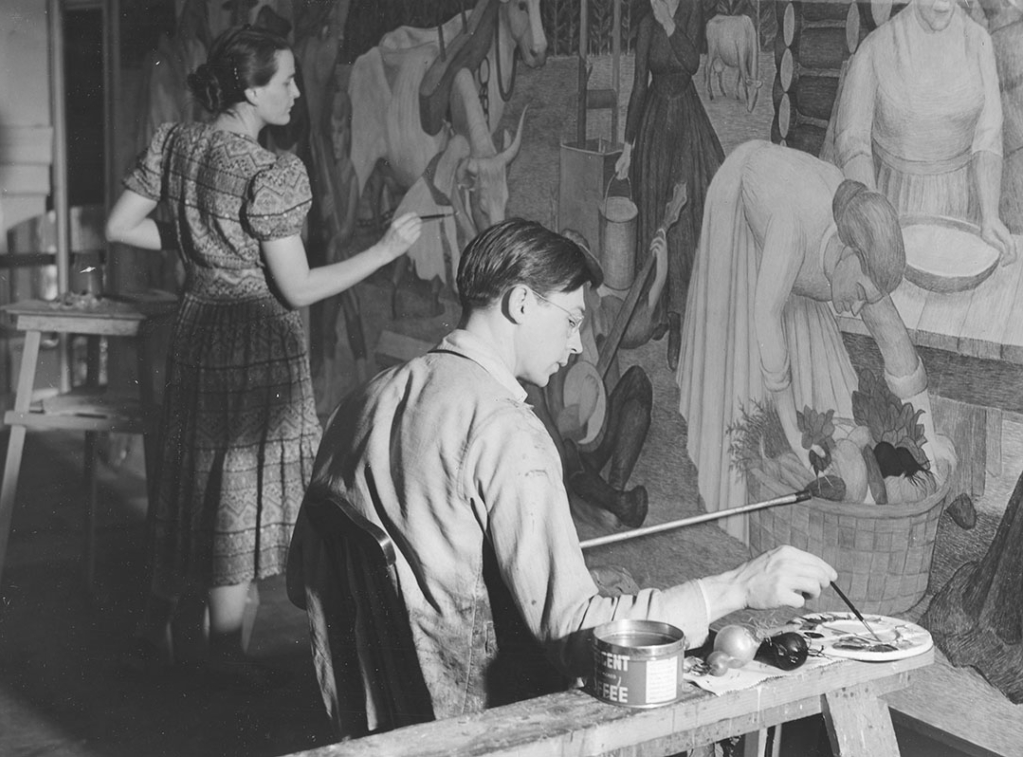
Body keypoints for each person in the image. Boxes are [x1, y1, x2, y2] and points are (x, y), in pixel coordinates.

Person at [287, 218, 837, 736]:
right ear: (521, 302)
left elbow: (300, 580)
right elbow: (580, 639)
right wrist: (736, 586)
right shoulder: (508, 432)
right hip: (474, 730)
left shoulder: (370, 394)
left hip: (368, 720)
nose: (577, 344)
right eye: (572, 320)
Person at [105, 25, 422, 687]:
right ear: (250, 89)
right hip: (254, 343)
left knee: (197, 479)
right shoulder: (270, 172)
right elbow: (297, 287)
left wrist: (204, 245)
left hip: (197, 332)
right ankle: (222, 651)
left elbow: (120, 226)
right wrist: (386, 249)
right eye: (284, 80)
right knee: (236, 493)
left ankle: (155, 626)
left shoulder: (178, 141)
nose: (297, 92)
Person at [677, 140, 956, 542]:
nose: (860, 306)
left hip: (800, 241)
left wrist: (926, 447)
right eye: (859, 293)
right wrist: (792, 432)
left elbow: (895, 342)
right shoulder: (793, 232)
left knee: (821, 396)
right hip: (745, 201)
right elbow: (767, 319)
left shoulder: (862, 254)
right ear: (846, 252)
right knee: (743, 366)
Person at [834, 0, 1016, 262]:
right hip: (893, 208)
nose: (942, 5)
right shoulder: (877, 46)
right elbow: (853, 142)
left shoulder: (978, 41)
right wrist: (874, 221)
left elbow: (988, 136)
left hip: (963, 213)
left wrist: (990, 215)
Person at [525, 227, 670, 530]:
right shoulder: (539, 331)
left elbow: (637, 325)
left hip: (600, 432)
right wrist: (566, 424)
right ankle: (611, 500)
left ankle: (615, 486)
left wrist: (659, 275)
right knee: (562, 451)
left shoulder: (600, 311)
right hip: (567, 444)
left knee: (638, 382)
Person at [615, 0, 724, 370]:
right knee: (655, 218)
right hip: (654, 126)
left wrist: (670, 24)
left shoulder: (692, 12)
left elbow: (692, 63)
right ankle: (660, 312)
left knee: (687, 223)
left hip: (686, 122)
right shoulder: (645, 25)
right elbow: (637, 87)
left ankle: (682, 319)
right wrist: (628, 147)